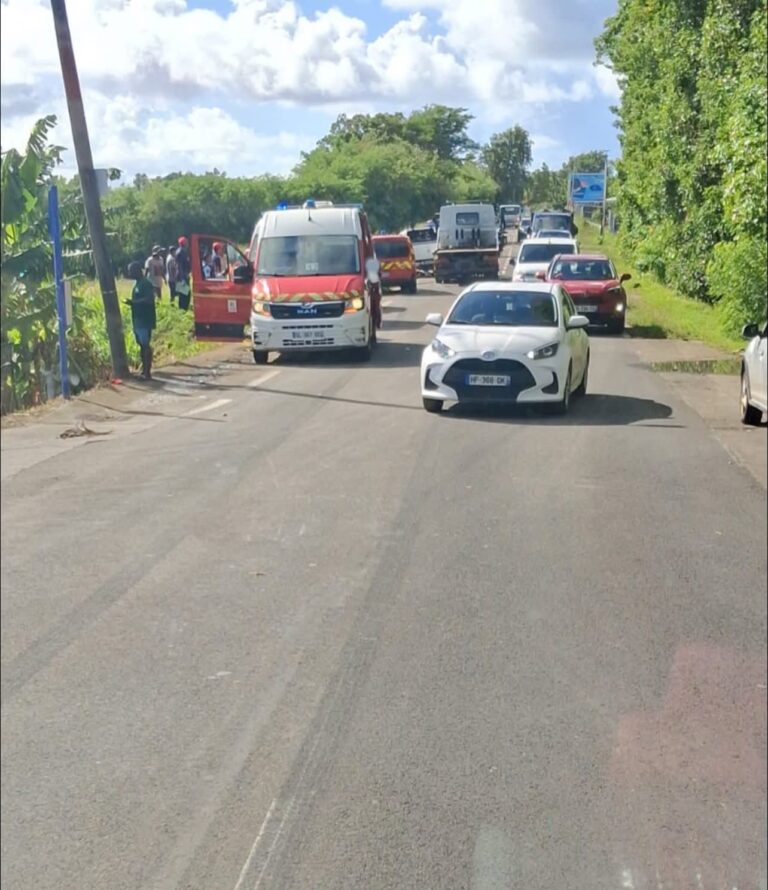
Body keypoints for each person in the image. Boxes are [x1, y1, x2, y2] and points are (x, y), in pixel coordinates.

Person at [125, 261, 157, 380]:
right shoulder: (138, 284)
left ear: (137, 270)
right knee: (141, 345)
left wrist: (133, 303)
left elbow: (149, 299)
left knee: (145, 345)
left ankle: (147, 372)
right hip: (138, 319)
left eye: (131, 271)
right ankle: (144, 371)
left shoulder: (145, 284)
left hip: (145, 319)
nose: (129, 273)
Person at [175, 236, 192, 311]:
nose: (188, 244)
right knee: (183, 296)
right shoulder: (180, 253)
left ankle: (184, 310)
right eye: (187, 242)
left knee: (186, 295)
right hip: (181, 277)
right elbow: (180, 266)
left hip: (184, 276)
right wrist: (182, 279)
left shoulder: (184, 252)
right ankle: (182, 311)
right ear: (184, 243)